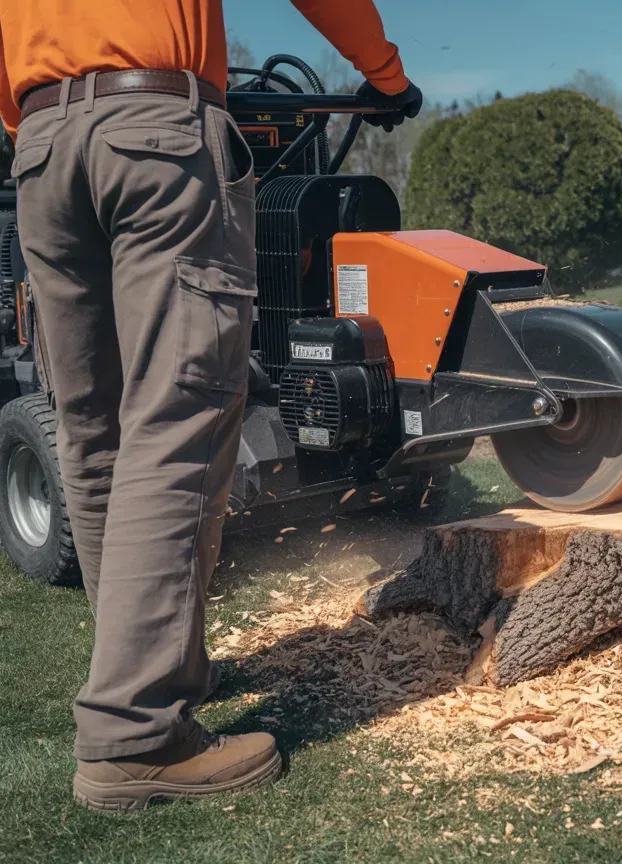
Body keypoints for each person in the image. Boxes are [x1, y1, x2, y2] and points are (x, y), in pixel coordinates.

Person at [0, 1, 421, 812]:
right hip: (155, 129)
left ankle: (144, 665)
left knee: (96, 433)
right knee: (179, 419)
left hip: (43, 147)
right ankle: (138, 737)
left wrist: (28, 123)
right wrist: (386, 75)